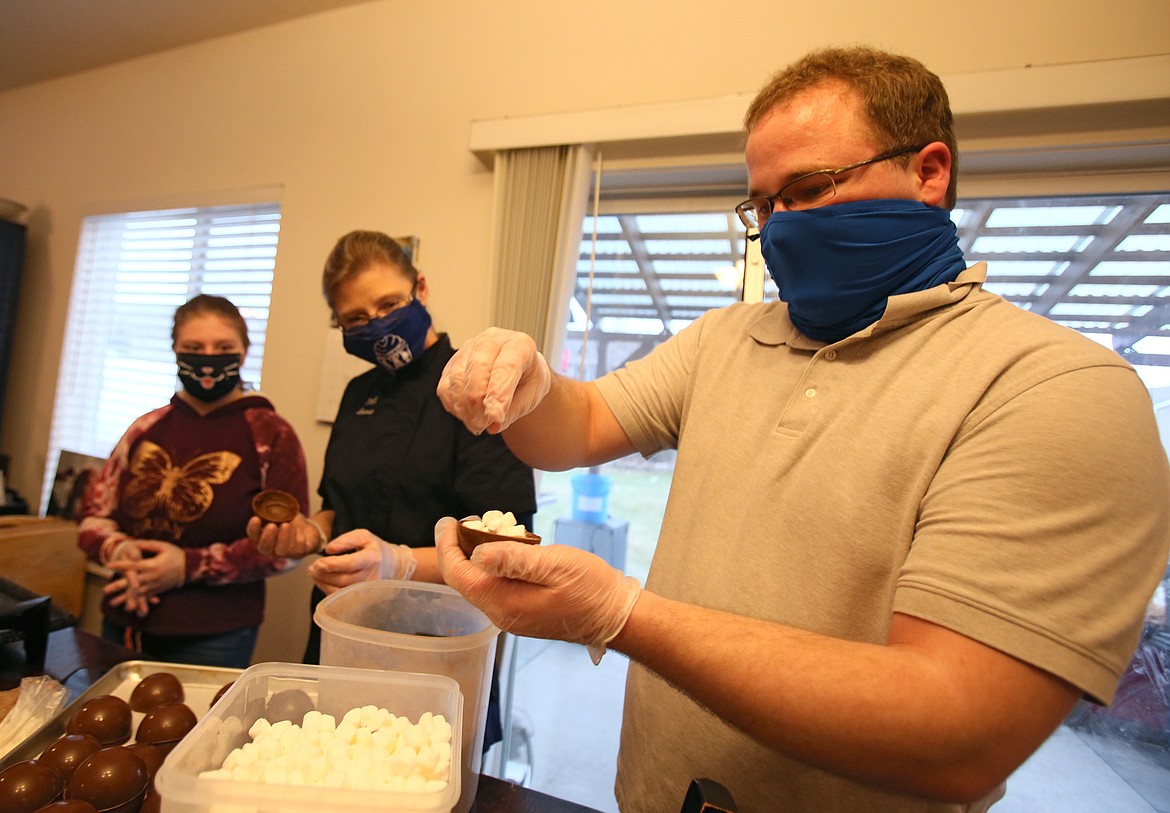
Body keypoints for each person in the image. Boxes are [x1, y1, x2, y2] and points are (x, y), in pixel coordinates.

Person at [433, 46, 1170, 813]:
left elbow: (956, 731)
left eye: (809, 189)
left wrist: (622, 614)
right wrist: (530, 384)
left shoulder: (1050, 386)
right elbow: (578, 426)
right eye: (763, 206)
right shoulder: (727, 339)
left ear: (929, 171)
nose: (780, 227)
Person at [249, 230, 536, 745]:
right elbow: (336, 511)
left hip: (438, 648)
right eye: (356, 319)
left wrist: (399, 564)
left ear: (420, 288)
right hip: (345, 637)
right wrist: (305, 534)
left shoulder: (476, 391)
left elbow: (505, 548)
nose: (377, 325)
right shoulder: (357, 393)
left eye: (389, 304)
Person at [78, 294, 310, 668]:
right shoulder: (145, 428)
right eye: (193, 347)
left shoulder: (270, 434)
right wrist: (123, 554)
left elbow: (288, 546)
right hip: (125, 615)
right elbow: (93, 516)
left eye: (223, 347)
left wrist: (189, 565)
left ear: (244, 352)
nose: (208, 356)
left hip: (215, 634)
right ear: (175, 350)